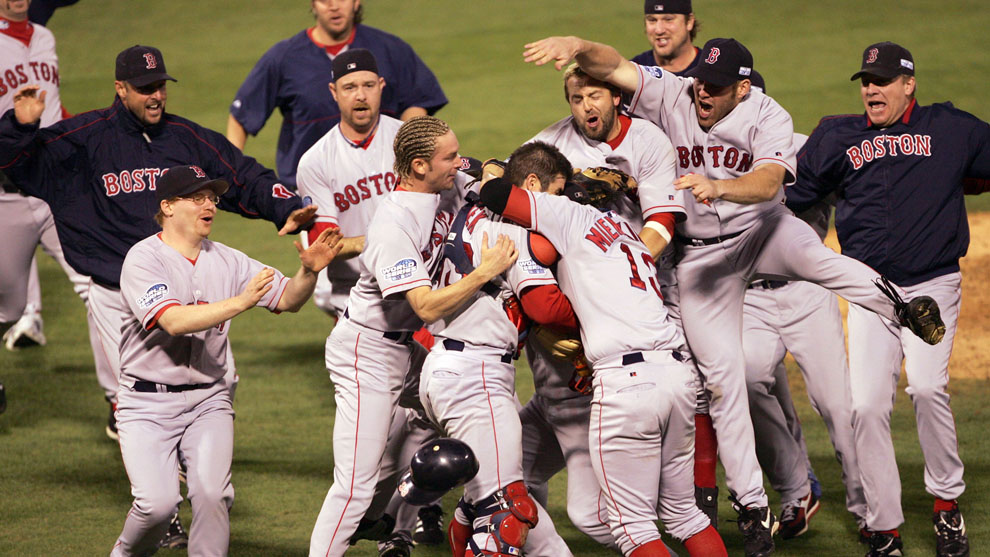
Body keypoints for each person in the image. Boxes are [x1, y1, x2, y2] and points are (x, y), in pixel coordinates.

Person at [522, 34, 946, 557]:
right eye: (702, 79)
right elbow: (615, 67)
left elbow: (769, 182)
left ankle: (902, 307)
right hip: (703, 258)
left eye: (718, 86)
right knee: (724, 381)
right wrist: (580, 44)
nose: (704, 92)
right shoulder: (674, 93)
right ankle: (751, 504)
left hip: (762, 232)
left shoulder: (768, 115)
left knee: (821, 261)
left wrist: (721, 187)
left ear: (742, 89)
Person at [786, 41, 989, 557]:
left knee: (925, 386)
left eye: (881, 80)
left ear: (908, 84)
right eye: (865, 81)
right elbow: (792, 193)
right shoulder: (839, 135)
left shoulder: (951, 128)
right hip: (871, 290)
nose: (871, 89)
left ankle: (946, 506)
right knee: (867, 404)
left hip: (932, 284)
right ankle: (885, 527)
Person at [479, 142, 726, 557]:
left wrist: (489, 167)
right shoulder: (627, 233)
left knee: (631, 528)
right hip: (677, 375)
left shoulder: (566, 214)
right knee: (685, 514)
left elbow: (495, 195)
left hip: (627, 383)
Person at [307, 115, 518, 557]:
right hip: (366, 353)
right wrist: (484, 273)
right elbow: (424, 305)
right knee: (354, 484)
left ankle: (392, 527)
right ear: (420, 166)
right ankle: (357, 524)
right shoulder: (394, 224)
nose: (458, 163)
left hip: (409, 349)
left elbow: (490, 171)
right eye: (449, 157)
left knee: (427, 422)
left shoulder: (446, 184)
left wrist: (493, 169)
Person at [109, 165, 342, 556]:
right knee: (157, 505)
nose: (209, 205)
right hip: (146, 403)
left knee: (213, 494)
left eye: (212, 198)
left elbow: (287, 300)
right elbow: (172, 321)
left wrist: (307, 272)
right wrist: (242, 301)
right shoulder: (143, 259)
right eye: (196, 197)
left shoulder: (228, 259)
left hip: (209, 399)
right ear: (167, 206)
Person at [520, 66, 685, 551]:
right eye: (576, 98)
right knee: (504, 476)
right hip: (578, 339)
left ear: (616, 95)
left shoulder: (648, 142)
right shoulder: (548, 147)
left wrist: (616, 266)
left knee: (597, 513)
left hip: (619, 321)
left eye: (594, 94)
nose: (586, 106)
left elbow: (663, 222)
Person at [296, 48, 446, 556]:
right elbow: (326, 246)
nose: (361, 95)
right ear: (334, 93)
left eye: (369, 85)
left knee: (435, 414)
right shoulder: (318, 161)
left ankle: (394, 524)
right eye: (350, 87)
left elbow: (454, 172)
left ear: (383, 87)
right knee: (355, 478)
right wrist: (386, 245)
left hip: (407, 321)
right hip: (364, 318)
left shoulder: (404, 139)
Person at [420, 143, 577, 557]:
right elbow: (545, 305)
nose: (558, 205)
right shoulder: (515, 233)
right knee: (506, 517)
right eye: (557, 193)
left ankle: (465, 519)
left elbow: (473, 165)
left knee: (510, 516)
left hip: (448, 368)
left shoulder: (471, 202)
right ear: (530, 185)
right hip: (476, 376)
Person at [227, 0, 447, 189]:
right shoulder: (284, 57)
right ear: (313, 4)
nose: (334, 7)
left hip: (384, 181)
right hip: (311, 187)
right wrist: (232, 169)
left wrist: (407, 148)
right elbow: (242, 114)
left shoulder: (389, 48)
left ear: (356, 2)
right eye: (325, 0)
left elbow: (417, 100)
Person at [631, 0, 700, 74]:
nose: (659, 30)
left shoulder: (710, 72)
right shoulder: (635, 72)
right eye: (652, 20)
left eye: (668, 19)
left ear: (689, 22)